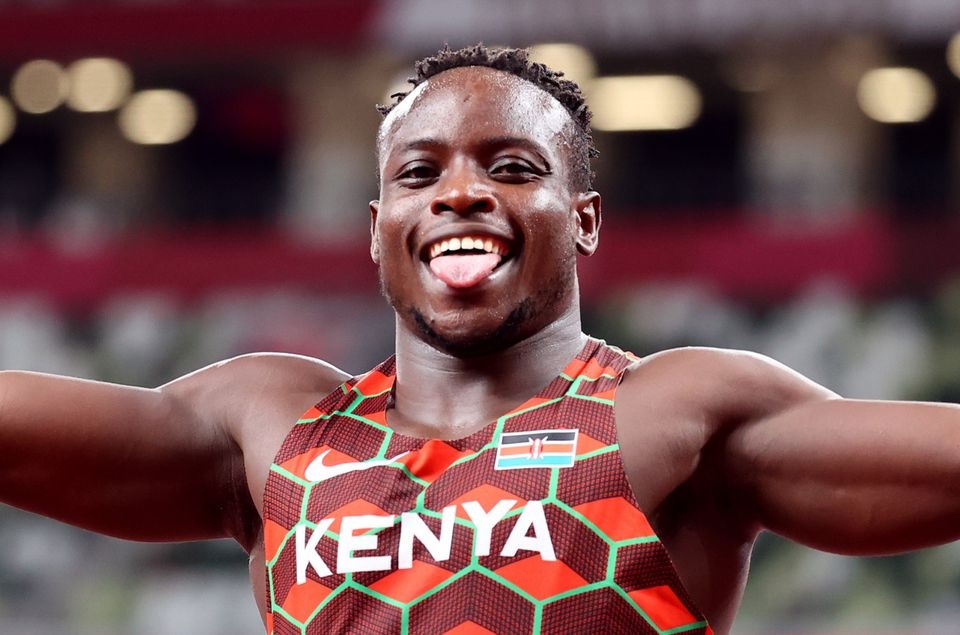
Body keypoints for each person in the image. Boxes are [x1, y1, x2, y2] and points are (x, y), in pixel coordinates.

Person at [2, 44, 960, 635]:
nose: (460, 191)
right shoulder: (271, 425)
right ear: (379, 225)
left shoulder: (676, 414)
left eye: (510, 166)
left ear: (582, 218)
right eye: (420, 173)